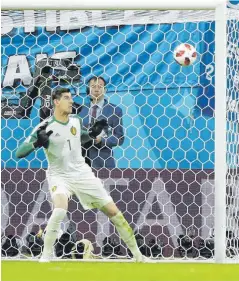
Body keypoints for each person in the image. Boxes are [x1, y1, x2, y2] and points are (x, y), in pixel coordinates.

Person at [15, 88, 147, 263]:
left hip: (82, 173)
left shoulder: (76, 120)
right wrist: (38, 143)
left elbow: (81, 137)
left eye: (71, 98)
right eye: (67, 98)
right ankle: (46, 254)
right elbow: (19, 153)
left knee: (114, 212)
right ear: (56, 102)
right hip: (59, 175)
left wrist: (92, 134)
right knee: (60, 208)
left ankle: (138, 256)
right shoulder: (45, 126)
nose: (71, 101)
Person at [78, 76, 125, 168]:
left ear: (105, 90)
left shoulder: (115, 110)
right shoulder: (79, 110)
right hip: (81, 161)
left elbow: (120, 138)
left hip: (104, 161)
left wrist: (102, 140)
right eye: (93, 86)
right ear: (88, 89)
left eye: (100, 86)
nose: (96, 89)